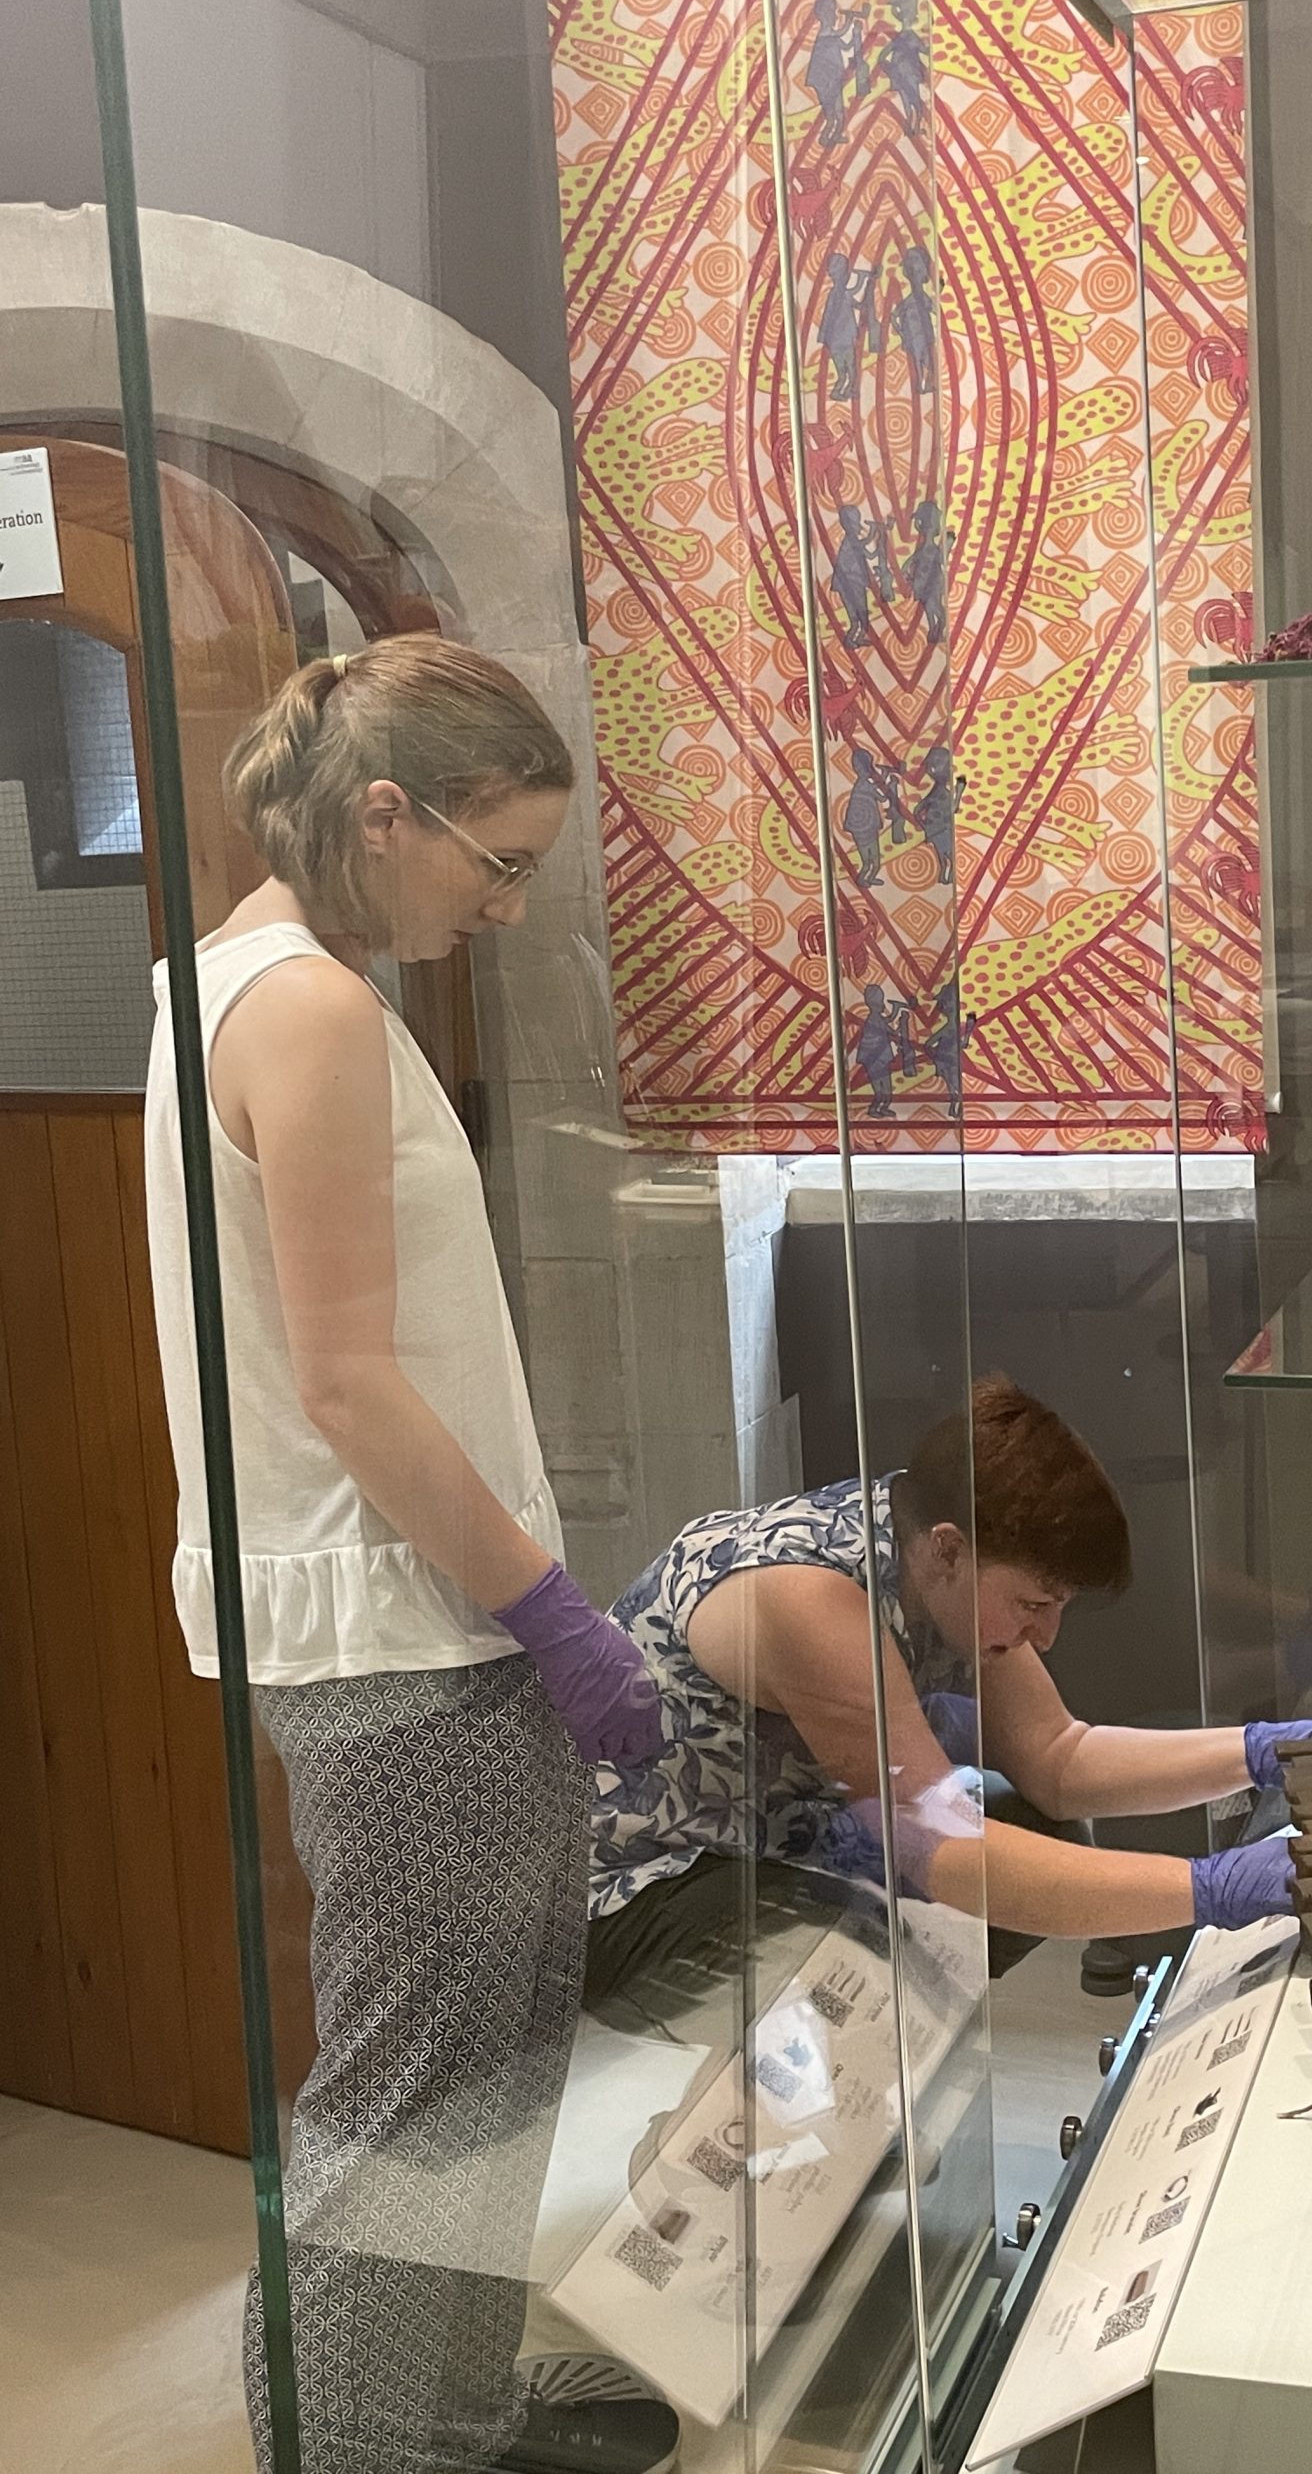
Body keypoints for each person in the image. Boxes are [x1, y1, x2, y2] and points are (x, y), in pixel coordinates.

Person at [144, 636, 672, 2474]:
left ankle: (444, 2405)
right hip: (404, 1636)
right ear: (386, 813)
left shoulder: (246, 983)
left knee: (486, 2049)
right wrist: (551, 1616)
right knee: (417, 2082)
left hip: (414, 1622)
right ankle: (381, 2445)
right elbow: (352, 1386)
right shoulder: (302, 1012)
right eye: (496, 862)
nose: (509, 906)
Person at [584, 1380, 1312, 2036]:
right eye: (1034, 1602)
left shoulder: (935, 1557)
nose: (1046, 1632)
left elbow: (1058, 1757)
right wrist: (1207, 1890)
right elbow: (943, 1848)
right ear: (948, 1550)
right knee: (852, 1991)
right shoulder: (812, 1601)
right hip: (644, 1882)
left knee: (1029, 1820)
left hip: (772, 1829)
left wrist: (1260, 1752)